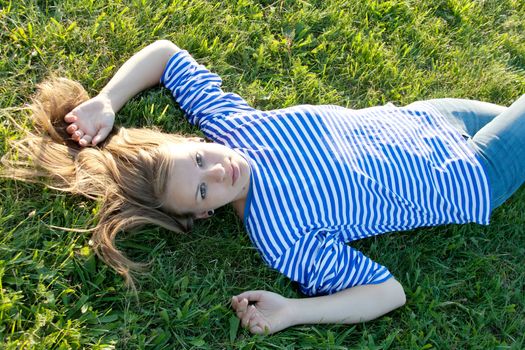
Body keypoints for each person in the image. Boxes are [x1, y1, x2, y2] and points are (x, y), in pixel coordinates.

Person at [2, 40, 524, 335]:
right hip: (473, 174)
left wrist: (107, 101)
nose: (218, 172)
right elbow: (389, 292)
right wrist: (295, 312)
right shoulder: (281, 235)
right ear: (201, 216)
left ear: (190, 138)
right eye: (203, 192)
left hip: (432, 115)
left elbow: (164, 55)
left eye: (200, 159)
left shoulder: (231, 126)